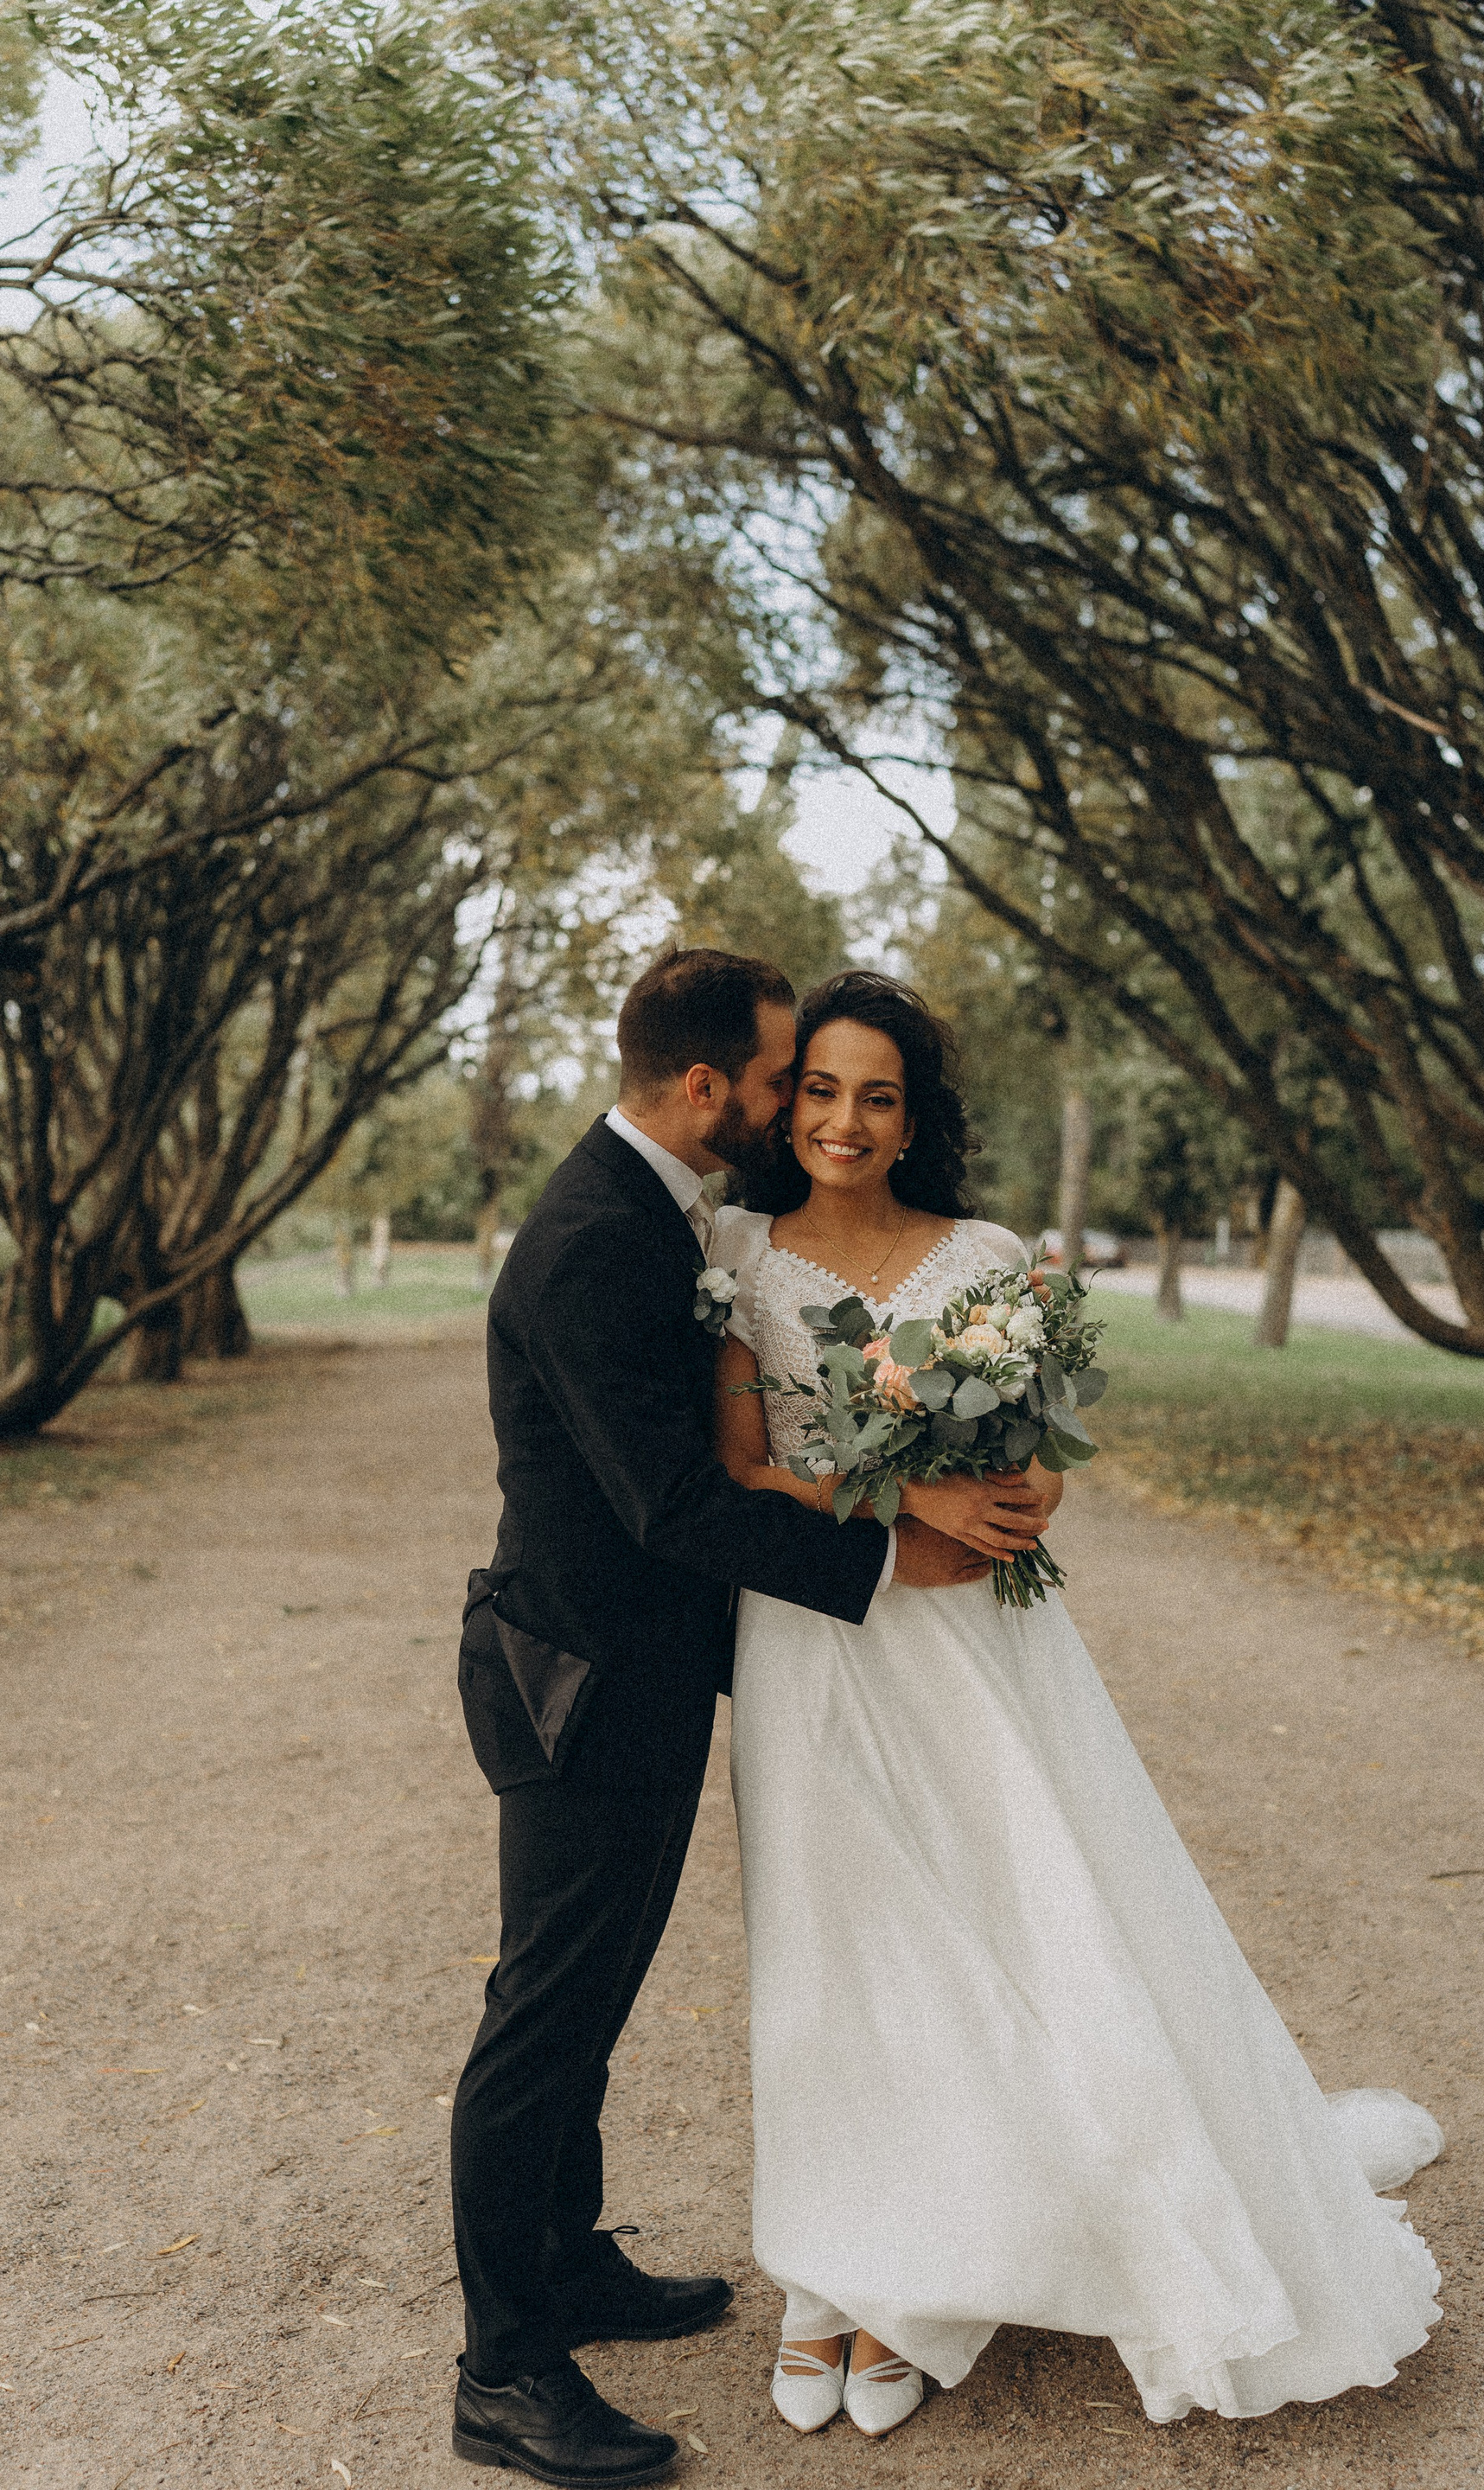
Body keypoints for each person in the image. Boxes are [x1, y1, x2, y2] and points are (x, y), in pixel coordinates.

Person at [712, 969, 1444, 2443]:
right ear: (785, 1104)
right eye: (821, 1090)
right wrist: (899, 1497)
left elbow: (1035, 1453)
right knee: (839, 1953)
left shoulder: (985, 1255)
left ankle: (922, 2288)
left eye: (877, 1097)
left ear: (914, 1117)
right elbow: (737, 1468)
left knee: (1014, 1921)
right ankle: (833, 2268)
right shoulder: (737, 1251)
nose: (845, 1121)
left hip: (979, 1644)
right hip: (816, 1641)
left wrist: (1024, 1484)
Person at [448, 947, 1050, 2487]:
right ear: (709, 1085)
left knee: (590, 2002)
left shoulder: (660, 1210)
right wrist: (890, 1549)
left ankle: (569, 2259)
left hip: (639, 1676)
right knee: (543, 2018)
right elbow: (669, 1501)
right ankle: (506, 2368)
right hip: (579, 1683)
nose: (796, 1109)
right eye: (785, 1080)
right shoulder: (596, 1238)